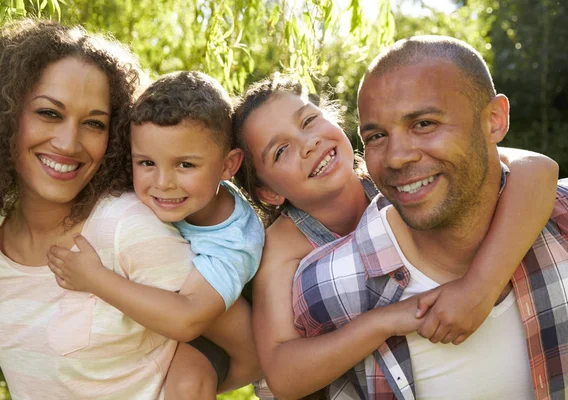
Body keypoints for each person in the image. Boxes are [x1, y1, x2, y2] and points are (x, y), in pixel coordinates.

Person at [0, 19, 256, 400]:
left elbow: (248, 354)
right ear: (3, 116)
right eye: (49, 113)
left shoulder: (126, 226)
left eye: (93, 123)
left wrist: (187, 384)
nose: (69, 143)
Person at [232, 72, 559, 398]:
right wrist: (385, 321)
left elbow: (536, 167)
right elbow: (283, 375)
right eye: (280, 151)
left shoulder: (393, 169)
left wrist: (480, 288)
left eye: (308, 121)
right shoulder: (282, 250)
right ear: (268, 193)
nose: (308, 144)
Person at [46, 70, 264, 400]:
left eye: (185, 165)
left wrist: (94, 278)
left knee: (189, 384)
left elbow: (187, 319)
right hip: (144, 336)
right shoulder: (172, 198)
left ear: (228, 165)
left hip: (207, 337)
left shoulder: (234, 240)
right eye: (147, 162)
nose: (162, 182)